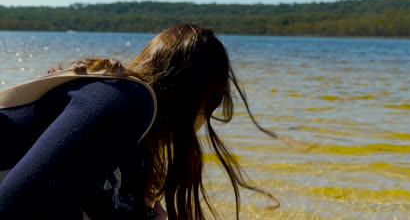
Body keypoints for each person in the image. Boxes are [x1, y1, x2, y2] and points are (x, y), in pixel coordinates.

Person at [0, 24, 280, 219]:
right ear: (200, 97)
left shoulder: (134, 150)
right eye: (215, 105)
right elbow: (18, 206)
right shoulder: (127, 98)